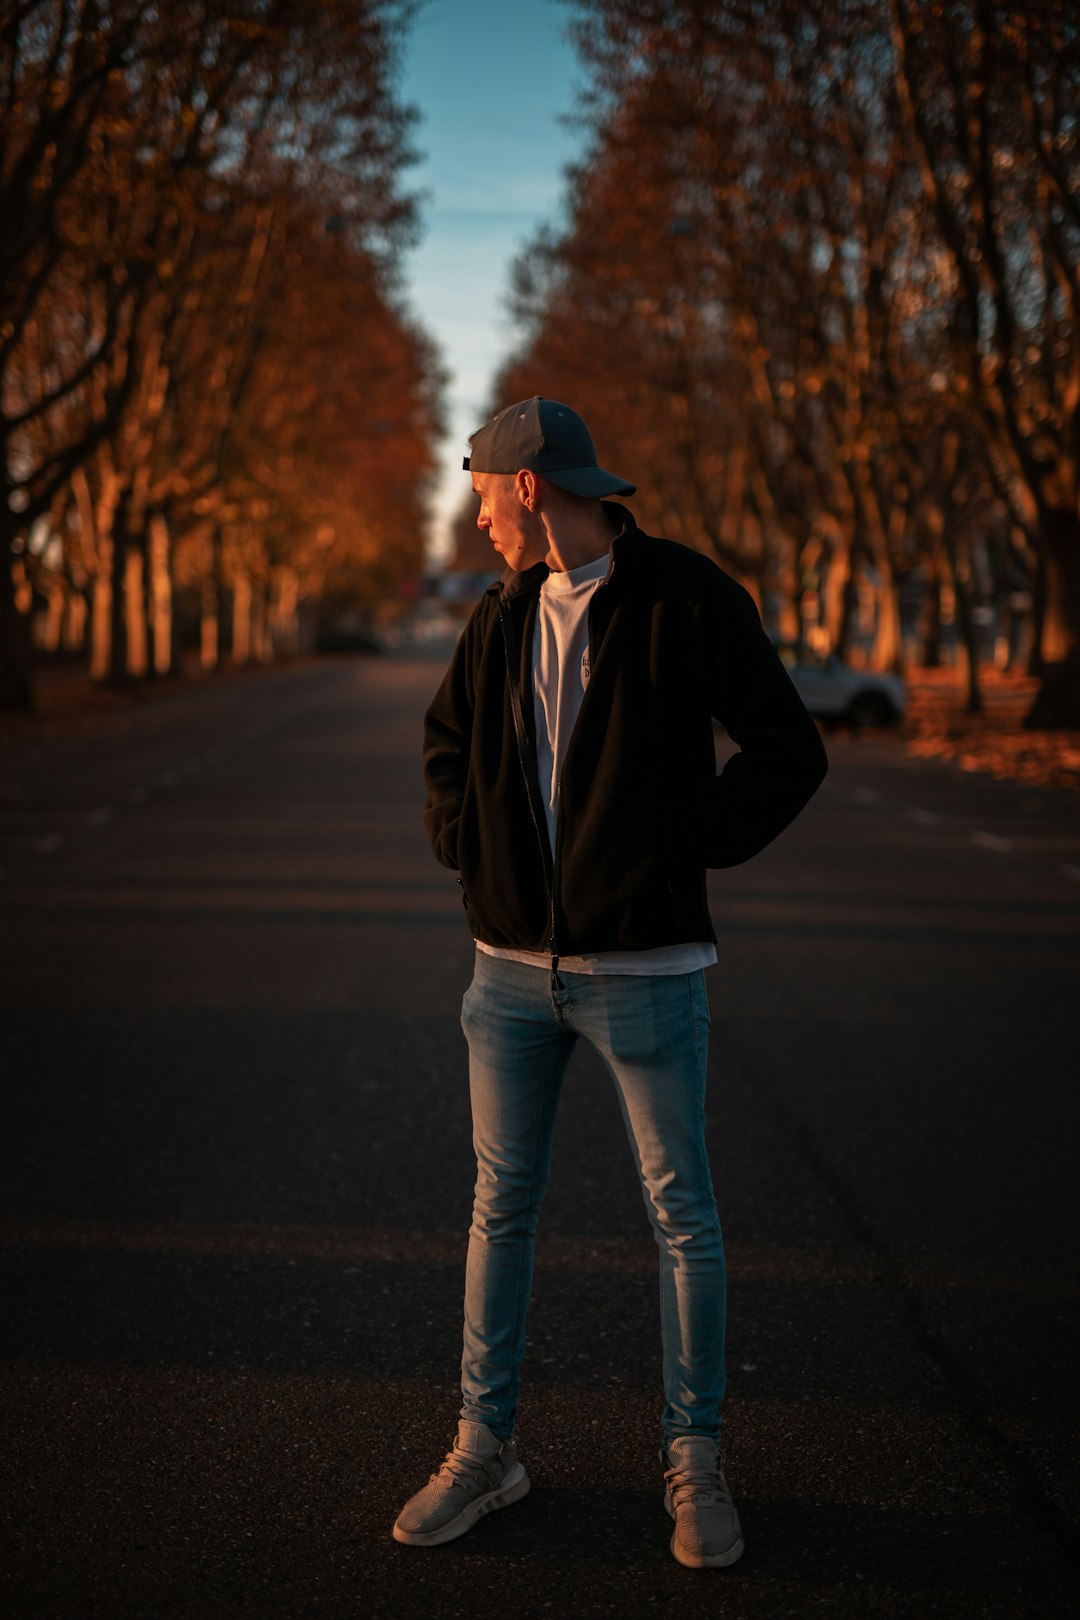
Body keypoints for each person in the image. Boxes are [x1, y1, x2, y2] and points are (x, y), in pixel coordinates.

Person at [393, 397, 827, 1568]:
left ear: (529, 486)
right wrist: (468, 845)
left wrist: (688, 841)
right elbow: (447, 749)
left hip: (645, 970)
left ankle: (695, 1458)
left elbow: (790, 748)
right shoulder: (497, 617)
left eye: (484, 492)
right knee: (501, 1210)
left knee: (682, 1219)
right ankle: (486, 1451)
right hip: (507, 978)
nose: (477, 515)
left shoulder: (688, 599)